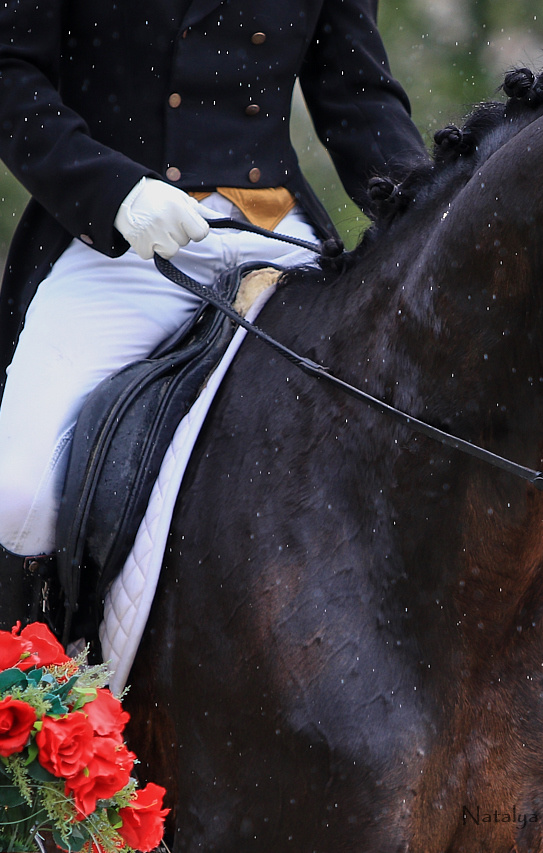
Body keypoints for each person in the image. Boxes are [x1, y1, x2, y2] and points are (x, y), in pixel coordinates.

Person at [0, 0, 427, 628]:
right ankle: (36, 703)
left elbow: (359, 99)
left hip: (278, 237)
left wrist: (437, 217)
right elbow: (9, 74)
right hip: (118, 241)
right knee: (18, 494)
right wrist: (114, 191)